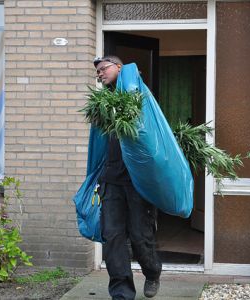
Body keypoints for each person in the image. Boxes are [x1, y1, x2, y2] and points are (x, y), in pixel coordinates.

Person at [93, 55, 162, 299]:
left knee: (140, 236)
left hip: (138, 182)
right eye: (97, 72)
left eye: (103, 69)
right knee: (112, 238)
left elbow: (133, 75)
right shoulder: (104, 103)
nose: (100, 74)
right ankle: (122, 293)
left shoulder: (138, 96)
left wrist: (129, 74)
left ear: (119, 68)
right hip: (112, 181)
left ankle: (152, 272)